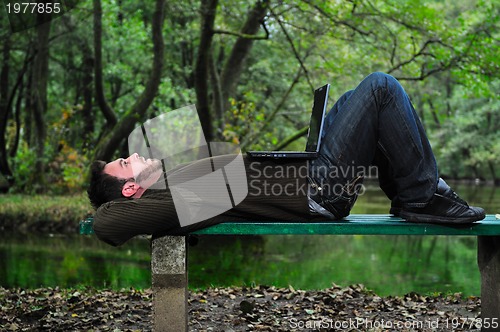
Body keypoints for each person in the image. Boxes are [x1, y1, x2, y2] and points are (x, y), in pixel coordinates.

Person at [88, 72, 485, 246]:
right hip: (317, 192)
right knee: (380, 88)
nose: (135, 153)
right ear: (130, 187)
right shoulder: (168, 199)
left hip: (310, 177)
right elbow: (107, 223)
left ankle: (414, 194)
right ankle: (420, 196)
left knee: (353, 101)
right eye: (126, 162)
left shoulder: (173, 187)